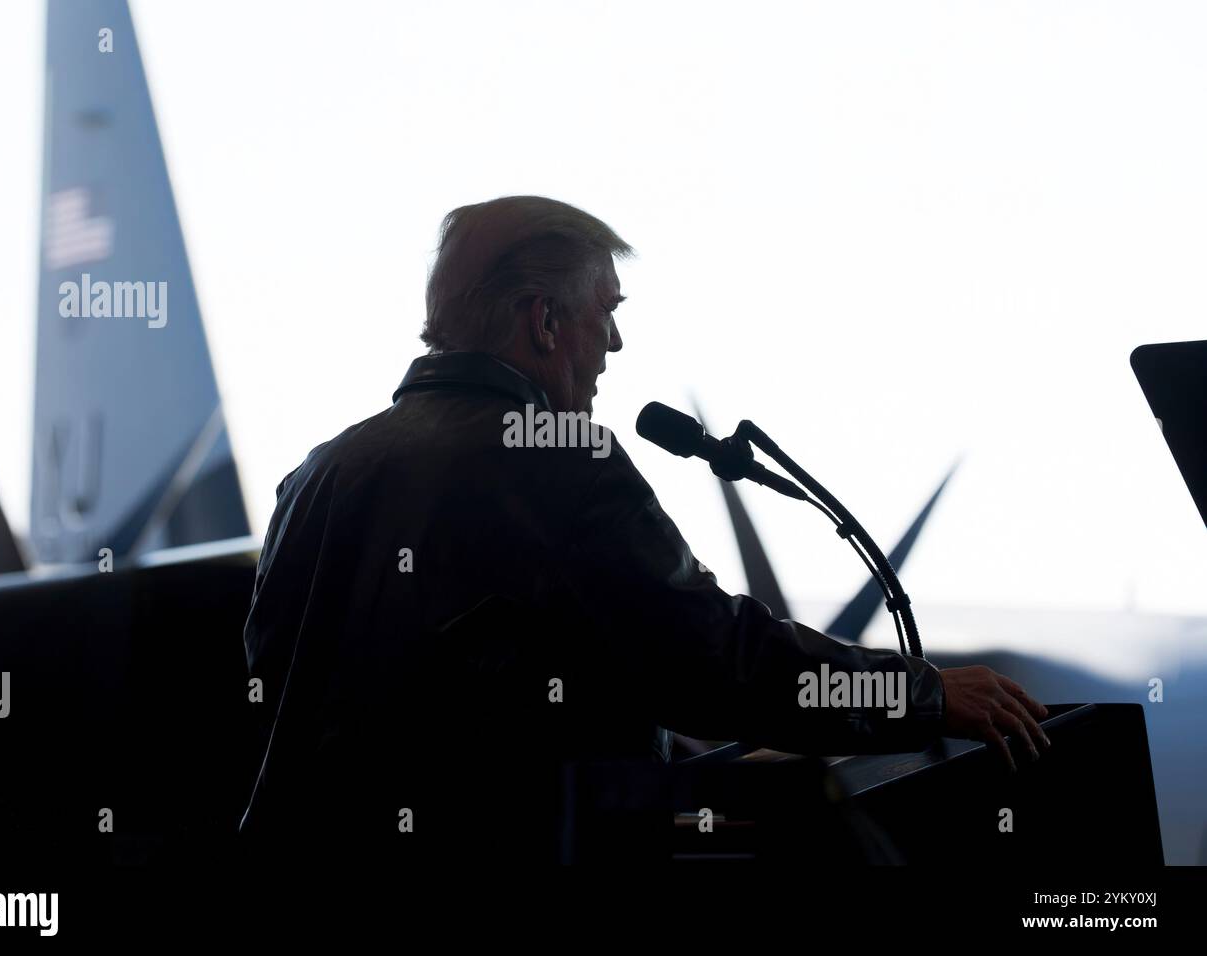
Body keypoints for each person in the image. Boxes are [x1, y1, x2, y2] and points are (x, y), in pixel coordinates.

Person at [239, 195, 1050, 858]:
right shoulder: (556, 454)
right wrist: (921, 691)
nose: (616, 343)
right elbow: (715, 658)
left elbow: (276, 674)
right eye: (606, 312)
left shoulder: (318, 474)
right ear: (544, 322)